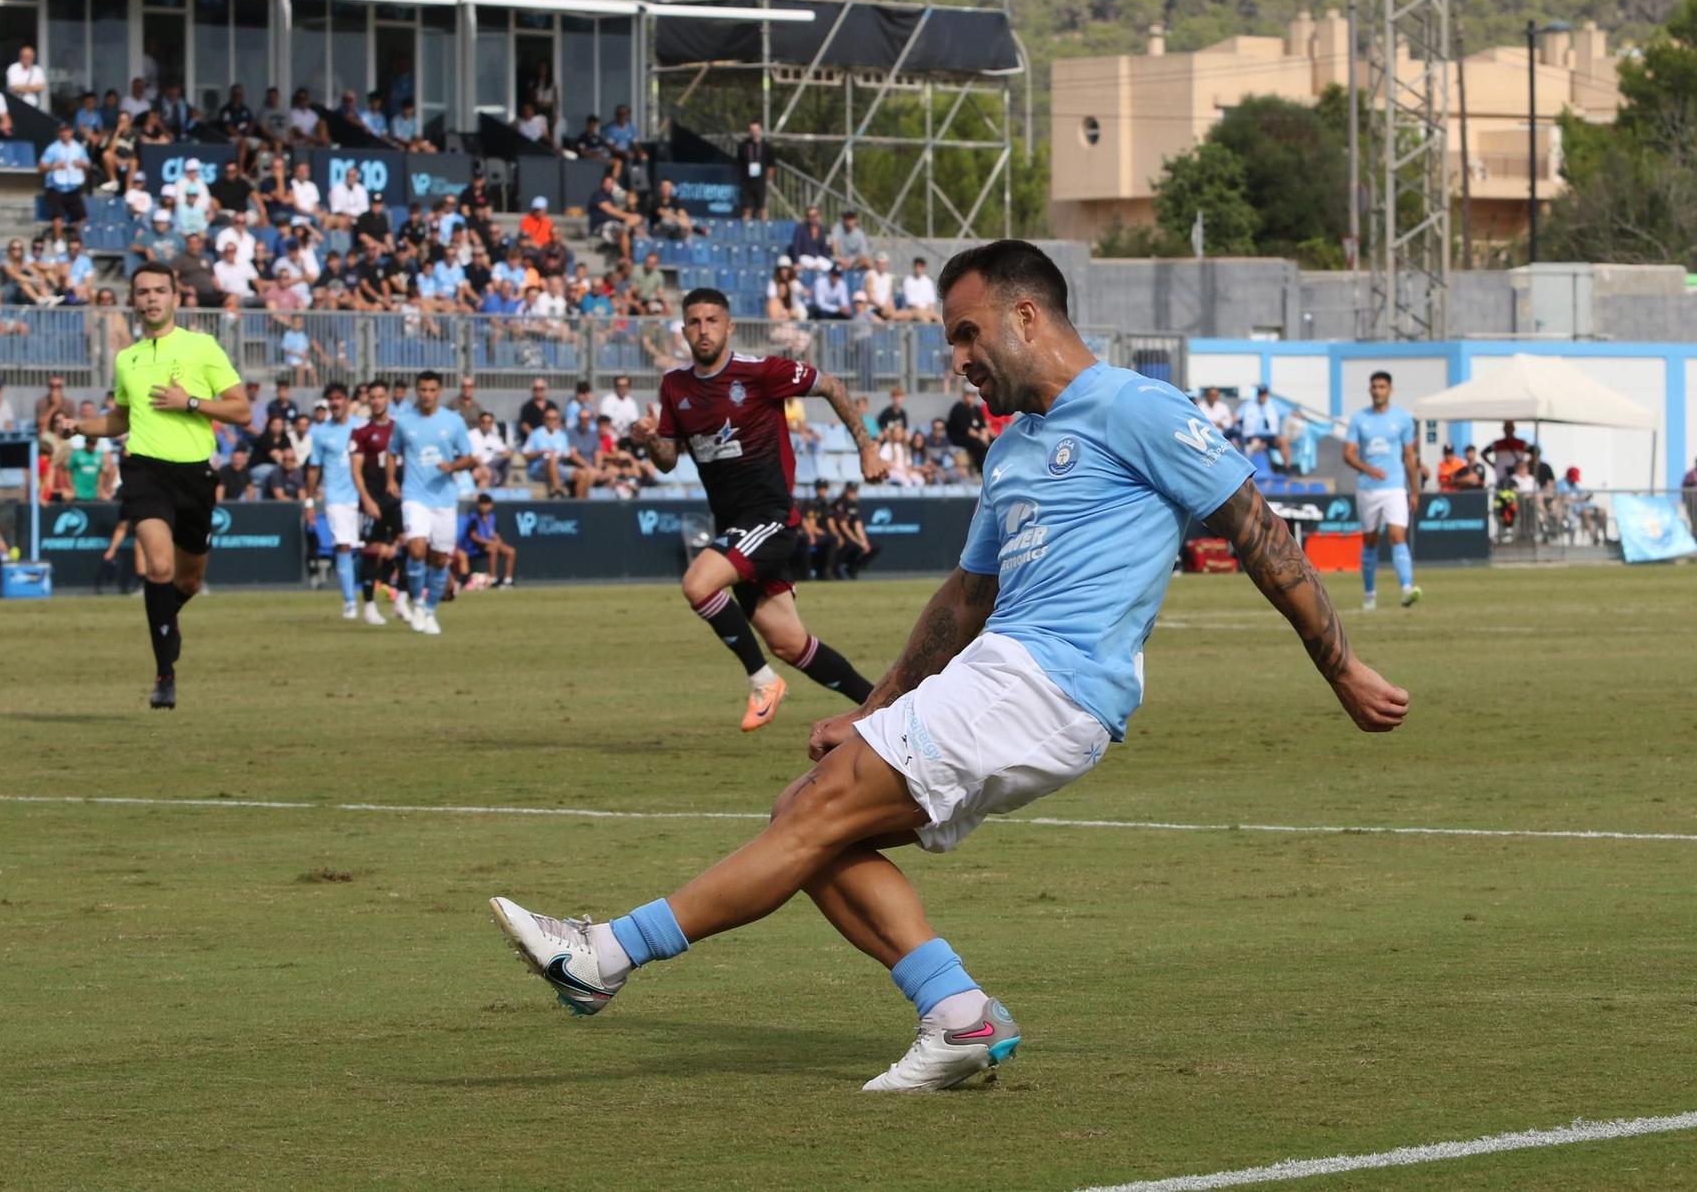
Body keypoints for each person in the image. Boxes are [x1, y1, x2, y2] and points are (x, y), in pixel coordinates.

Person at [487, 239, 1409, 1090]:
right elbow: (963, 601)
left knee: (813, 818)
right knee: (804, 819)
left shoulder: (1137, 406)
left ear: (1027, 317)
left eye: (968, 335)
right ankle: (958, 1014)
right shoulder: (1011, 447)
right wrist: (870, 707)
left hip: (1049, 684)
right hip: (1005, 672)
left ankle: (603, 955)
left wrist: (1343, 669)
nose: (958, 360)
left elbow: (1259, 531)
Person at [626, 288, 884, 733]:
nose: (702, 330)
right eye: (693, 322)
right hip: (734, 526)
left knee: (698, 584)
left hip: (770, 516)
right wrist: (650, 440)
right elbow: (668, 460)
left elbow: (831, 386)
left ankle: (763, 682)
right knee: (789, 643)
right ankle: (882, 707)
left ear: (729, 327)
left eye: (711, 321)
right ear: (683, 329)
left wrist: (867, 446)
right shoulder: (675, 386)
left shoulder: (761, 372)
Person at [57, 263, 252, 707]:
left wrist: (192, 403)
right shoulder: (128, 358)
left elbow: (241, 412)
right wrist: (78, 427)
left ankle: (167, 620)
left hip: (195, 475)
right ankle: (165, 675)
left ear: (175, 297)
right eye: (142, 292)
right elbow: (120, 419)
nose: (151, 298)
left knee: (189, 579)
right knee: (159, 567)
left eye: (159, 290)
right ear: (133, 300)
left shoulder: (202, 347)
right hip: (145, 472)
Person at [389, 370, 477, 634]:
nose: (426, 395)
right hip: (415, 496)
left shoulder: (453, 421)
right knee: (416, 549)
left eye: (431, 390)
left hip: (444, 498)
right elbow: (392, 452)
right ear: (417, 391)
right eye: (422, 390)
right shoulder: (404, 422)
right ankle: (416, 601)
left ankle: (429, 610)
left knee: (440, 560)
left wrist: (452, 465)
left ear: (439, 391)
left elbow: (470, 458)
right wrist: (391, 480)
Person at [1341, 371, 1422, 610]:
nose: (1378, 391)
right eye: (1374, 387)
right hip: (1368, 488)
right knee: (1370, 540)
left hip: (1395, 487)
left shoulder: (1403, 419)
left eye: (1382, 386)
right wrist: (1367, 468)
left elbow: (1409, 456)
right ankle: (1369, 594)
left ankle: (1407, 589)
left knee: (1397, 535)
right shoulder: (1359, 419)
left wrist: (1414, 491)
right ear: (1370, 390)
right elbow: (1348, 454)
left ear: (1390, 390)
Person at [304, 381, 368, 620]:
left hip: (363, 497)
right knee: (342, 545)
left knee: (371, 549)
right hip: (337, 498)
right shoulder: (320, 433)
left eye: (339, 397)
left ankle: (378, 596)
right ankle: (350, 601)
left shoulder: (361, 427)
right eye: (331, 398)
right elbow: (313, 468)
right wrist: (309, 502)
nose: (335, 402)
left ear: (348, 401)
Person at [347, 379, 404, 625]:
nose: (377, 401)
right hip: (374, 499)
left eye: (381, 396)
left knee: (410, 544)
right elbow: (356, 470)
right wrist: (366, 500)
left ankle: (401, 599)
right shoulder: (361, 432)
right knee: (371, 551)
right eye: (373, 397)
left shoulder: (400, 428)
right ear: (368, 401)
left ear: (388, 398)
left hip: (397, 498)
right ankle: (369, 606)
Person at [456, 493, 515, 588]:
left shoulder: (492, 518)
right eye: (482, 504)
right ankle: (493, 579)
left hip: (489, 545)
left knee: (510, 551)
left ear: (491, 505)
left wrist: (499, 542)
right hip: (473, 547)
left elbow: (495, 534)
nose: (485, 507)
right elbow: (474, 537)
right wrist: (490, 542)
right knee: (493, 549)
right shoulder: (473, 518)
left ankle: (508, 580)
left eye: (487, 504)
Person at [737, 120, 771, 221]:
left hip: (760, 181)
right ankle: (746, 230)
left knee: (762, 207)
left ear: (760, 130)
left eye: (756, 130)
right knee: (747, 208)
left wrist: (767, 178)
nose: (754, 132)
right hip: (747, 180)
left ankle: (764, 230)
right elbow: (740, 162)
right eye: (752, 130)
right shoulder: (743, 145)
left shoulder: (766, 146)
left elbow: (771, 164)